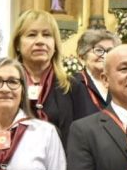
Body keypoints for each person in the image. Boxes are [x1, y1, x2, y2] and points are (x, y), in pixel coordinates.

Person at [10, 10, 89, 145]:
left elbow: (84, 139)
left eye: (47, 35)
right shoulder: (5, 84)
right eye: (31, 35)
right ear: (17, 44)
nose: (40, 41)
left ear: (55, 45)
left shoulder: (73, 86)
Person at [75, 28, 121, 115]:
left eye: (110, 51)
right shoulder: (71, 84)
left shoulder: (119, 82)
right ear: (82, 57)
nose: (105, 55)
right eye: (99, 50)